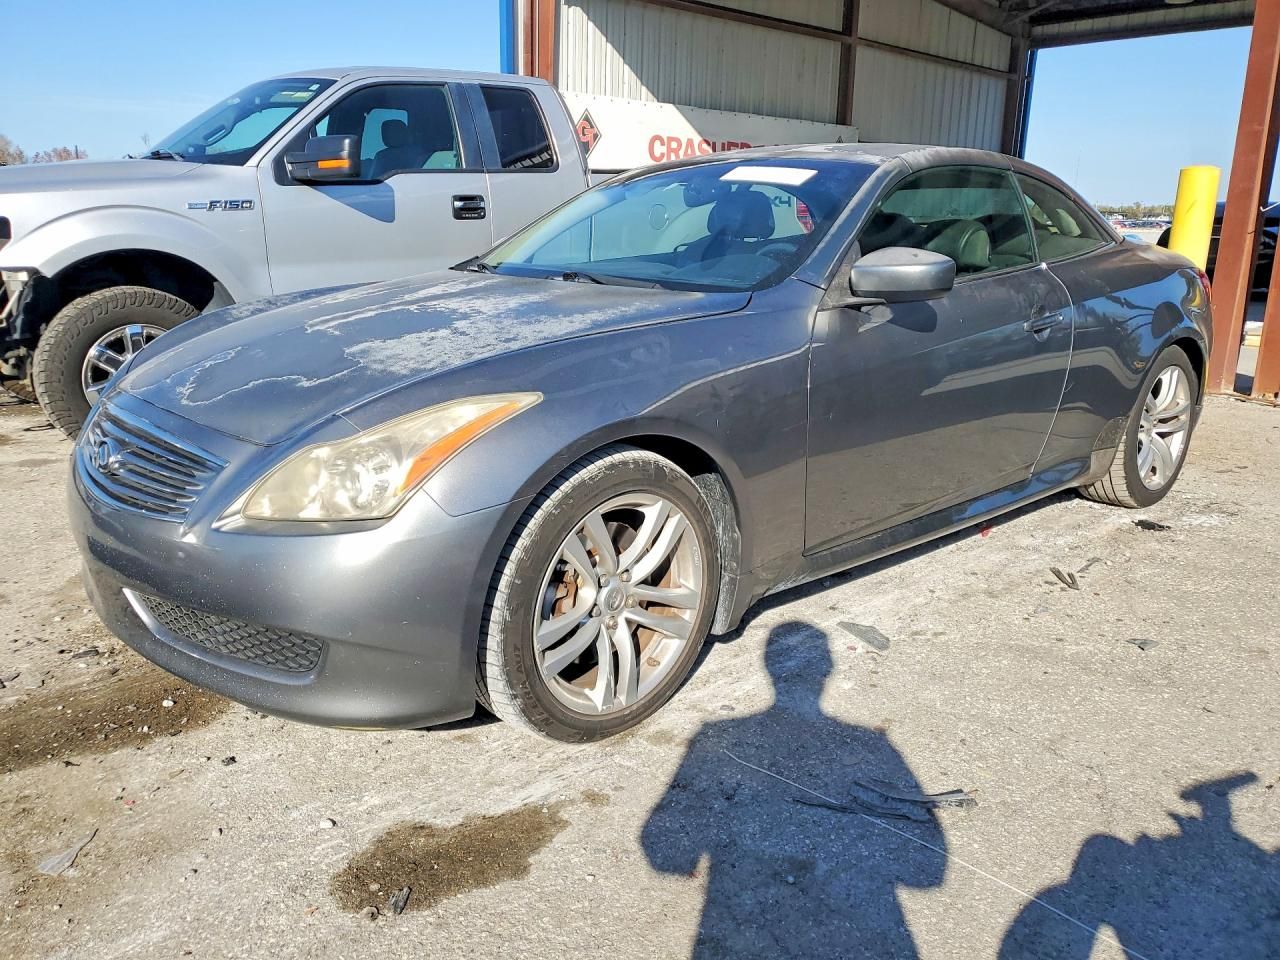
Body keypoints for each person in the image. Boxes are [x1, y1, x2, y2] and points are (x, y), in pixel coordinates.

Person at [642, 621, 947, 959]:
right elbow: (928, 874)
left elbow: (663, 854)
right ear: (828, 668)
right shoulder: (874, 743)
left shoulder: (715, 734)